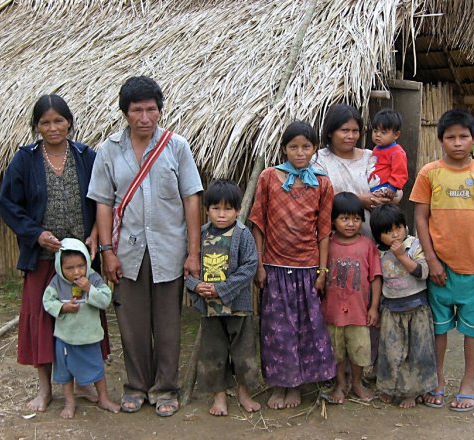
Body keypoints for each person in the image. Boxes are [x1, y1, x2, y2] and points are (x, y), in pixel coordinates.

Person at [88, 76, 203, 417]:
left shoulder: (177, 147)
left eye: (151, 109)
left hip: (169, 248)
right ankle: (136, 385)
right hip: (127, 251)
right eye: (136, 110)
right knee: (132, 324)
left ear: (160, 111)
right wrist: (107, 250)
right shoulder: (109, 150)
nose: (144, 117)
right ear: (125, 113)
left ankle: (166, 389)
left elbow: (191, 200)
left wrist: (193, 252)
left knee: (168, 324)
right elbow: (104, 203)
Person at [0, 94, 110, 413]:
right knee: (43, 318)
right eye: (45, 122)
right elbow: (8, 204)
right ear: (36, 127)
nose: (53, 128)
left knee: (84, 314)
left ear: (70, 123)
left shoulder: (85, 155)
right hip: (43, 258)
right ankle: (46, 389)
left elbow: (101, 199)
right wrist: (36, 234)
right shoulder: (25, 160)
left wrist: (94, 234)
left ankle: (86, 380)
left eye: (58, 121)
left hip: (79, 263)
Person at [410, 109, 474, 412]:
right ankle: (437, 382)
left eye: (464, 136)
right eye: (450, 137)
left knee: (473, 332)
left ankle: (468, 386)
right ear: (440, 140)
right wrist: (432, 261)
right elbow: (420, 219)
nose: (458, 142)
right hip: (440, 271)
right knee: (438, 330)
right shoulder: (429, 173)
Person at [250, 121, 336, 410]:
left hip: (308, 269)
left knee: (305, 328)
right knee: (277, 330)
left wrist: (322, 271)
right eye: (294, 147)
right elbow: (258, 223)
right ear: (284, 148)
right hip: (274, 267)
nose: (300, 153)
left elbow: (324, 230)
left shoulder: (322, 182)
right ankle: (279, 385)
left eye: (306, 147)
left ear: (315, 149)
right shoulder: (269, 178)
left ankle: (297, 385)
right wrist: (260, 264)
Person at [185, 180, 261, 416]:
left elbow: (250, 266)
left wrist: (223, 289)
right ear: (206, 209)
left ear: (238, 210)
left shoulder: (242, 234)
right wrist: (196, 286)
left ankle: (243, 393)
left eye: (228, 209)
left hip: (238, 308)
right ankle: (219, 397)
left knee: (244, 351)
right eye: (216, 208)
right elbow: (188, 269)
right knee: (213, 352)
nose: (221, 214)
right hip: (210, 309)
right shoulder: (201, 235)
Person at [42, 238, 121, 418]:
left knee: (97, 369)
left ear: (87, 261)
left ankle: (104, 398)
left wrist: (89, 289)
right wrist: (62, 308)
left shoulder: (93, 278)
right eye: (69, 268)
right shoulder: (57, 282)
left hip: (89, 337)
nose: (76, 272)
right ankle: (70, 402)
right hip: (65, 338)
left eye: (80, 265)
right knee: (66, 373)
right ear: (60, 267)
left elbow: (105, 300)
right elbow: (47, 301)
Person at [369, 205, 436, 409]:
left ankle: (413, 392)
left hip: (417, 309)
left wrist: (401, 256)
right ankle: (390, 388)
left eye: (398, 227)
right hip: (391, 309)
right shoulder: (378, 253)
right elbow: (377, 281)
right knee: (391, 351)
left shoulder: (414, 245)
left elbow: (422, 272)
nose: (395, 234)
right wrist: (375, 308)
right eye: (388, 232)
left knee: (417, 352)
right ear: (379, 236)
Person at [321, 192, 382, 403]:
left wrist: (374, 307)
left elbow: (375, 277)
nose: (350, 224)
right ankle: (340, 383)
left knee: (359, 350)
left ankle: (357, 382)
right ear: (333, 220)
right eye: (344, 218)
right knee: (336, 351)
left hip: (359, 311)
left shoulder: (367, 245)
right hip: (332, 311)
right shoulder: (327, 244)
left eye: (356, 219)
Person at [312, 104, 397, 239]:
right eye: (344, 130)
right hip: (334, 241)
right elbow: (316, 198)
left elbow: (394, 187)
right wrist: (359, 200)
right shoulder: (318, 161)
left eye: (355, 131)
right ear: (330, 132)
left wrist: (388, 196)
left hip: (373, 240)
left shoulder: (371, 157)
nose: (351, 136)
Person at [367, 108, 408, 202]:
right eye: (375, 131)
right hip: (374, 187)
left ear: (396, 135)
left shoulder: (397, 152)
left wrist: (393, 187)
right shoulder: (376, 148)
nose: (378, 135)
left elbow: (400, 172)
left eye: (383, 132)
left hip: (386, 188)